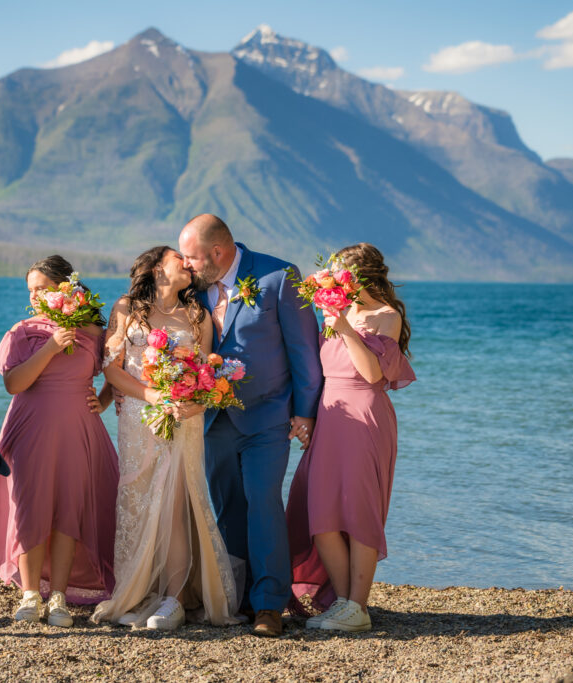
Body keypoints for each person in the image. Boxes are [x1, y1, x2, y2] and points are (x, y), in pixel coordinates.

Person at [177, 215, 323, 637]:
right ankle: (234, 597)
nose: (186, 265)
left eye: (191, 257)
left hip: (268, 414)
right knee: (226, 507)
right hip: (213, 418)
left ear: (218, 253)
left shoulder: (278, 276)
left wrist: (305, 411)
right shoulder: (194, 285)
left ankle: (269, 605)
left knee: (263, 502)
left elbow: (304, 349)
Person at [91, 246, 240, 631]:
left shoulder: (198, 316)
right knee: (137, 499)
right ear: (158, 267)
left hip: (183, 420)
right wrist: (155, 396)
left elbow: (205, 374)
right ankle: (136, 592)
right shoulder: (126, 308)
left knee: (175, 503)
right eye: (180, 258)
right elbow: (113, 368)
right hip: (140, 419)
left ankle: (173, 599)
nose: (188, 264)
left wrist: (195, 405)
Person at [0, 256, 118, 627]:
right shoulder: (23, 330)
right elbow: (14, 384)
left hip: (78, 430)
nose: (35, 296)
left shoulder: (93, 330)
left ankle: (60, 599)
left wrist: (103, 398)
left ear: (65, 287)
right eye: (30, 290)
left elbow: (118, 369)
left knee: (70, 510)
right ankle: (31, 595)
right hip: (31, 429)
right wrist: (50, 346)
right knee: (30, 508)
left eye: (42, 288)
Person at [286, 243, 415, 632]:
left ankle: (357, 606)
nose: (333, 281)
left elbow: (373, 374)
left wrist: (344, 328)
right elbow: (316, 370)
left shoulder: (384, 316)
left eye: (339, 274)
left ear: (358, 278)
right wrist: (302, 418)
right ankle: (344, 604)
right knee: (321, 514)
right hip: (330, 416)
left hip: (365, 419)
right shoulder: (333, 315)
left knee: (358, 513)